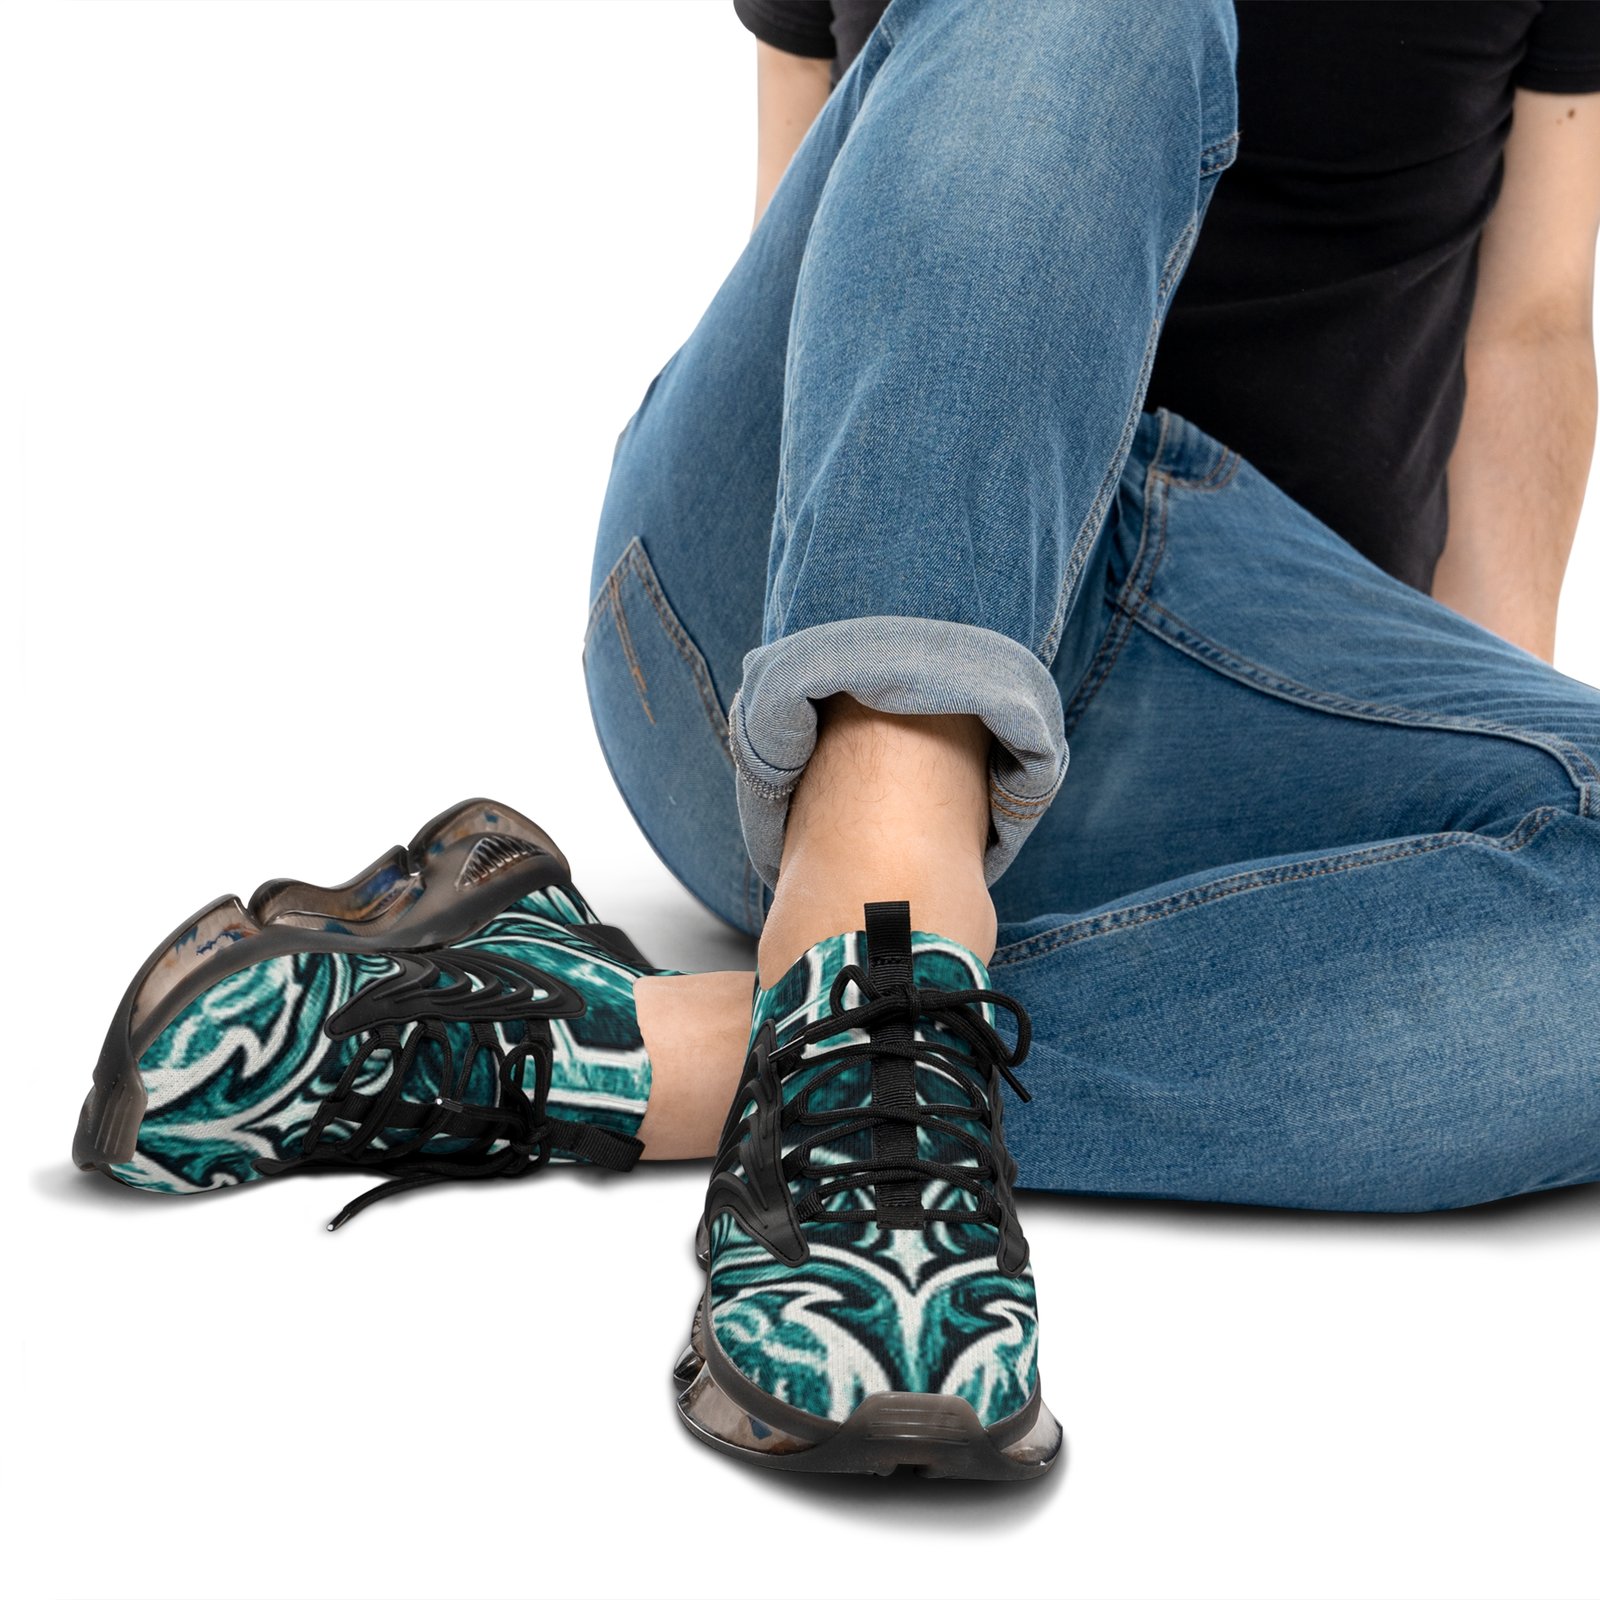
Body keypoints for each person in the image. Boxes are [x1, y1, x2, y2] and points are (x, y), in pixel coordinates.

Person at [73, 0, 1600, 1483]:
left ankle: (677, 1050)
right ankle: (877, 893)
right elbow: (803, 219)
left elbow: (1531, 328)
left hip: (1214, 683)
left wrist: (1461, 831)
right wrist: (899, 606)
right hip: (775, 626)